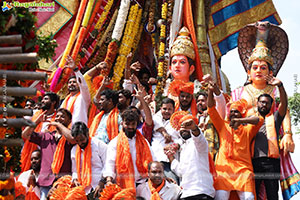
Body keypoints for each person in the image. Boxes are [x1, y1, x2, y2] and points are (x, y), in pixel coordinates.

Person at [234, 22, 298, 199]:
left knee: (271, 191)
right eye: (255, 67)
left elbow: (284, 111)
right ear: (248, 72)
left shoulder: (274, 91)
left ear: (271, 71)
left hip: (270, 147)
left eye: (263, 68)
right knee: (250, 189)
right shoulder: (239, 92)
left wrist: (288, 134)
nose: (259, 71)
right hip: (246, 146)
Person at [207, 80, 264, 200]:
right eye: (231, 112)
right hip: (224, 169)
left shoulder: (248, 129)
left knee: (249, 198)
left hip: (243, 169)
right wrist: (210, 91)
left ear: (242, 114)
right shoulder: (223, 125)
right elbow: (211, 109)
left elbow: (259, 120)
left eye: (236, 112)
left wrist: (240, 122)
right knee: (220, 197)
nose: (233, 114)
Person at [21, 108, 75, 200]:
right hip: (45, 182)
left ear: (70, 120)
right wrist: (37, 121)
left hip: (63, 182)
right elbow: (25, 135)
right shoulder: (46, 136)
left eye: (62, 117)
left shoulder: (69, 135)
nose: (59, 118)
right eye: (57, 116)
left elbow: (73, 138)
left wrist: (58, 124)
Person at [252, 76, 287, 199]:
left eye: (267, 103)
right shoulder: (251, 120)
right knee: (254, 194)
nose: (264, 104)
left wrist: (280, 86)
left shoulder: (275, 118)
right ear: (257, 103)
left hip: (271, 163)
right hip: (254, 162)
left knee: (272, 194)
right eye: (262, 102)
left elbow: (284, 103)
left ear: (271, 106)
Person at [166, 111, 215, 200]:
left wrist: (194, 128)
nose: (184, 129)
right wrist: (170, 157)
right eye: (181, 127)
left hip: (201, 192)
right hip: (186, 194)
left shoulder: (199, 143)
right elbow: (180, 171)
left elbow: (198, 138)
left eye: (187, 126)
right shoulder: (183, 147)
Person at [102, 107, 154, 189]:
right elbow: (110, 163)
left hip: (143, 183)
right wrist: (109, 180)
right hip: (123, 186)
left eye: (133, 124)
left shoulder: (144, 142)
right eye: (127, 124)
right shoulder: (114, 143)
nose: (130, 127)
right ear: (122, 123)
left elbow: (153, 161)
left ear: (136, 124)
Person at [21, 92, 60, 172]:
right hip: (32, 153)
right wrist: (37, 121)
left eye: (45, 99)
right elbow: (25, 134)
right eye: (43, 99)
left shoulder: (58, 117)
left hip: (48, 155)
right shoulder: (36, 114)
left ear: (53, 102)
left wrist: (49, 133)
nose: (42, 101)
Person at [70, 122, 107, 196]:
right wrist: (75, 179)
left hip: (101, 187)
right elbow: (75, 171)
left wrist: (102, 182)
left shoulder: (99, 145)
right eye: (77, 141)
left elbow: (108, 166)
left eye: (82, 139)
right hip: (84, 190)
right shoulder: (74, 150)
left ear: (87, 133)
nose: (80, 143)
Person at [151, 98, 181, 182]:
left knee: (173, 184)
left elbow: (182, 139)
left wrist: (175, 145)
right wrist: (164, 132)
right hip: (156, 159)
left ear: (174, 110)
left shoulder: (178, 122)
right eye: (164, 109)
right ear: (160, 108)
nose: (167, 111)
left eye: (169, 109)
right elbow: (155, 123)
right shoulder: (156, 118)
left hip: (170, 161)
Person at [60, 56, 91, 125]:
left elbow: (83, 85)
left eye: (74, 82)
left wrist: (76, 70)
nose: (71, 84)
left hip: (78, 131)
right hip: (64, 130)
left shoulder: (83, 96)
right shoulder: (66, 100)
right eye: (69, 82)